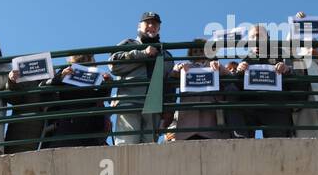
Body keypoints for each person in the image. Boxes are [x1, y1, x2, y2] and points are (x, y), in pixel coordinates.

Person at [109, 12, 174, 144]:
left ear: (159, 28)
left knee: (149, 150)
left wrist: (169, 110)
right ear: (139, 26)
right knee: (126, 146)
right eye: (147, 23)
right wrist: (142, 54)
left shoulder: (166, 53)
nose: (151, 26)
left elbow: (168, 83)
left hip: (154, 107)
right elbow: (113, 65)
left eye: (155, 24)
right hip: (129, 103)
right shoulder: (128, 43)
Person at [234, 24, 295, 138]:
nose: (256, 40)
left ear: (267, 38)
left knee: (278, 147)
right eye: (253, 37)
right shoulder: (245, 60)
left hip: (276, 108)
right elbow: (235, 87)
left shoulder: (281, 55)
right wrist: (238, 72)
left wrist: (287, 69)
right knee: (244, 147)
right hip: (251, 107)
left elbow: (296, 77)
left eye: (260, 37)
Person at [43, 54, 115, 146]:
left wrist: (107, 83)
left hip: (89, 123)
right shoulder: (67, 70)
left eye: (90, 59)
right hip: (68, 122)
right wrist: (61, 76)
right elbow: (46, 85)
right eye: (87, 58)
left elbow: (101, 96)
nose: (88, 60)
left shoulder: (95, 75)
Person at [289, 12, 318, 138]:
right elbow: (289, 47)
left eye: (315, 46)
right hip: (305, 114)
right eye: (307, 46)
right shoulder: (299, 63)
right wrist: (296, 24)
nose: (312, 49)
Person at [170, 43, 230, 141]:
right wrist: (180, 67)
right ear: (190, 54)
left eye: (201, 50)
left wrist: (220, 68)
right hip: (188, 119)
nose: (198, 53)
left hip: (211, 119)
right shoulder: (186, 67)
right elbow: (172, 76)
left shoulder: (215, 66)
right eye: (195, 51)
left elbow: (230, 79)